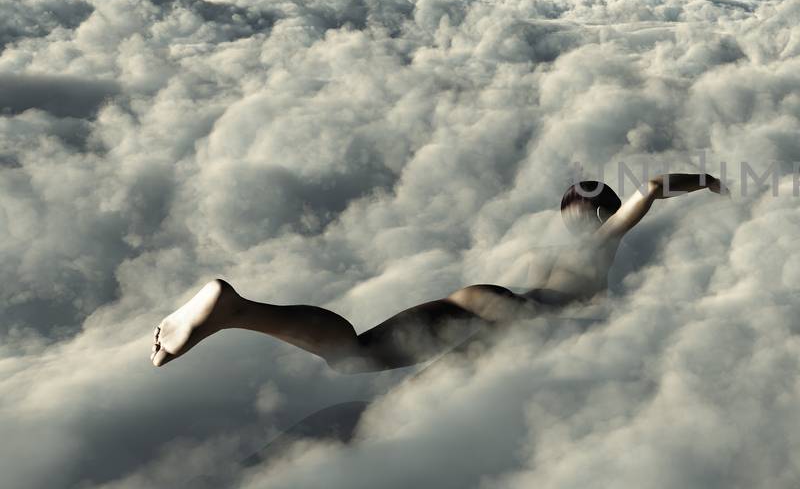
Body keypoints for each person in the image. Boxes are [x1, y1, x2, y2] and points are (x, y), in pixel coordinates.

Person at [150, 173, 723, 373]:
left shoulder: (546, 253)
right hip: (513, 315)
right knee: (361, 363)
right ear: (600, 214)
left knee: (352, 355)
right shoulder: (601, 245)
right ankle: (233, 311)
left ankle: (235, 311)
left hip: (478, 295)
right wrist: (706, 183)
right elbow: (649, 189)